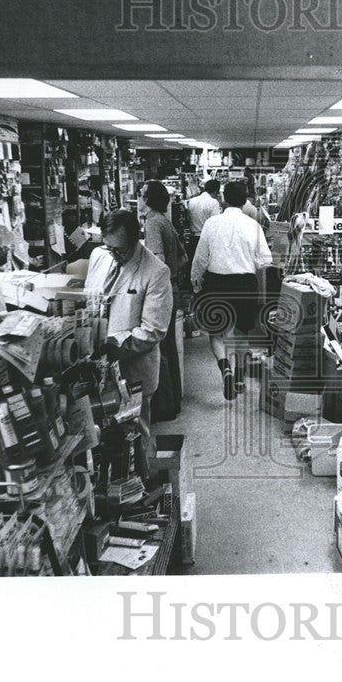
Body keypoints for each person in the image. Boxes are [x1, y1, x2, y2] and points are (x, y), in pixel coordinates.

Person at [85, 210, 173, 473]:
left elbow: (154, 330)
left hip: (132, 370)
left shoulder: (156, 272)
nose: (113, 254)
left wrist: (114, 346)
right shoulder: (100, 256)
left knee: (136, 437)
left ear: (136, 240)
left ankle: (143, 489)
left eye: (120, 250)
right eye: (108, 246)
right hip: (96, 366)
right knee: (102, 440)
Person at [191, 180, 273, 400]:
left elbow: (200, 258)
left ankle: (225, 369)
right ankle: (238, 376)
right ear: (246, 200)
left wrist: (195, 281)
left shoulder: (211, 224)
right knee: (242, 333)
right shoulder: (252, 225)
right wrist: (248, 262)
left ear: (223, 199)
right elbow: (266, 260)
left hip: (216, 283)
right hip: (245, 284)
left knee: (216, 333)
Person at [141, 180, 187, 420]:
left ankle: (165, 406)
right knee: (169, 344)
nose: (138, 200)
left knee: (159, 347)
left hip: (162, 290)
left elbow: (157, 261)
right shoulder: (165, 222)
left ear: (148, 200)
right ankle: (174, 399)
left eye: (141, 195)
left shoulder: (152, 224)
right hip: (173, 286)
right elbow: (182, 258)